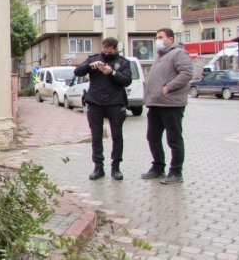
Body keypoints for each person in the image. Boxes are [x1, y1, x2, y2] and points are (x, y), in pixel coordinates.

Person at [74, 37, 132, 180]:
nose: (106, 53)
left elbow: (127, 81)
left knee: (117, 136)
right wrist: (89, 66)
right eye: (104, 50)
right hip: (95, 102)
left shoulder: (123, 62)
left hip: (115, 103)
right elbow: (77, 71)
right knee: (96, 136)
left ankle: (116, 167)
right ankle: (98, 167)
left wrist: (112, 72)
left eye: (109, 51)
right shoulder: (93, 59)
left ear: (115, 49)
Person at [142, 28, 193, 185]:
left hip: (171, 104)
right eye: (156, 37)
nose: (157, 40)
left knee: (174, 139)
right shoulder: (160, 56)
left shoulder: (179, 53)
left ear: (170, 39)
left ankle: (176, 172)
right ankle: (158, 167)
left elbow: (186, 73)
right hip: (155, 104)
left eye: (161, 37)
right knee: (152, 136)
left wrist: (169, 87)